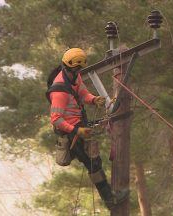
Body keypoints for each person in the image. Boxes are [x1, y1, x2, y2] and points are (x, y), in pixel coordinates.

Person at [46, 48, 129, 209]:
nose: (79, 72)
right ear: (70, 66)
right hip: (70, 133)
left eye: (80, 69)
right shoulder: (59, 90)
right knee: (93, 164)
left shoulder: (74, 77)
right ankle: (110, 200)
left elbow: (83, 94)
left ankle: (110, 198)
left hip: (79, 125)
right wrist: (77, 131)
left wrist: (94, 99)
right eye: (77, 69)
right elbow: (56, 119)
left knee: (94, 161)